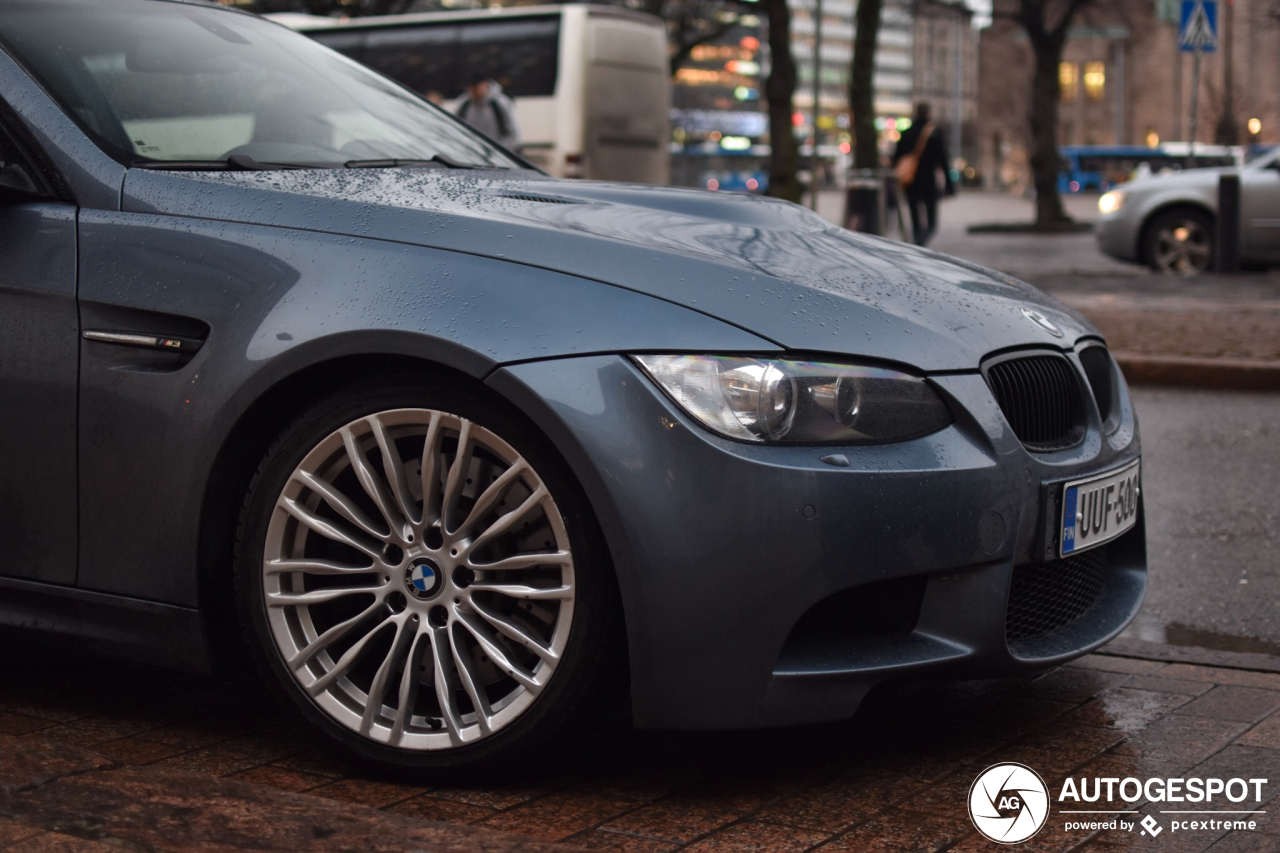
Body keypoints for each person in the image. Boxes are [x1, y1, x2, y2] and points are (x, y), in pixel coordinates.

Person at [892, 102, 955, 246]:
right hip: (928, 182)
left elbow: (896, 160)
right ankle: (920, 245)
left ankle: (917, 244)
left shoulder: (906, 133)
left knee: (916, 222)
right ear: (928, 113)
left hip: (910, 182)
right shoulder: (934, 132)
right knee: (932, 224)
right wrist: (949, 186)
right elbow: (943, 160)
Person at [455, 74, 520, 151]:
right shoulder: (464, 104)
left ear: (485, 85)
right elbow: (455, 127)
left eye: (476, 86)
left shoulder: (499, 103)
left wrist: (501, 151)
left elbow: (512, 132)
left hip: (497, 153)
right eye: (471, 87)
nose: (474, 90)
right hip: (471, 152)